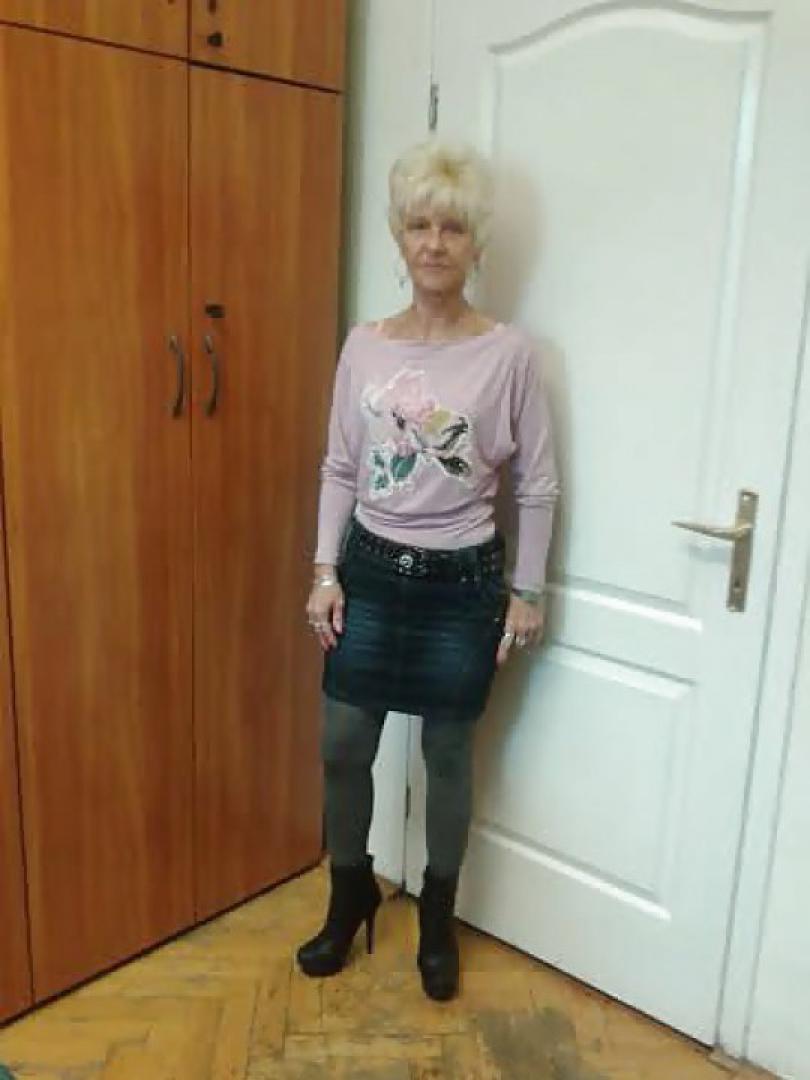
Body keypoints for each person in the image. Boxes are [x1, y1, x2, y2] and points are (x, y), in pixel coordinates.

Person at [296, 140, 559, 1001]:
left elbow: (536, 484)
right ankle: (349, 895)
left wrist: (527, 591)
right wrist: (325, 571)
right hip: (370, 572)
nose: (435, 243)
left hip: (461, 585)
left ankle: (438, 918)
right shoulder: (364, 346)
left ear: (476, 244)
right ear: (399, 236)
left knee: (447, 754)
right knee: (344, 744)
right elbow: (341, 466)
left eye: (452, 227)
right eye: (419, 225)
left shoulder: (509, 355)